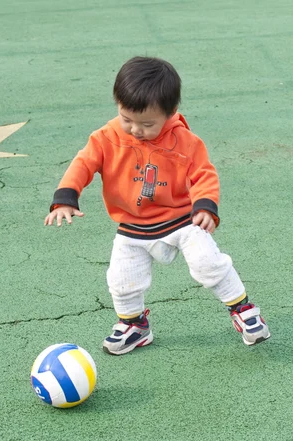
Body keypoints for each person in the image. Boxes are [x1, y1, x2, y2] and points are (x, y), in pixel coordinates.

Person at [44, 56, 270, 355]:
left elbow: (204, 173)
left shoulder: (185, 141)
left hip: (182, 220)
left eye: (147, 124)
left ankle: (243, 310)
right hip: (132, 226)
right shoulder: (106, 138)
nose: (136, 130)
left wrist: (205, 207)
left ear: (171, 112)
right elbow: (83, 163)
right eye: (127, 119)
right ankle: (134, 325)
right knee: (122, 280)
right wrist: (66, 196)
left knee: (209, 263)